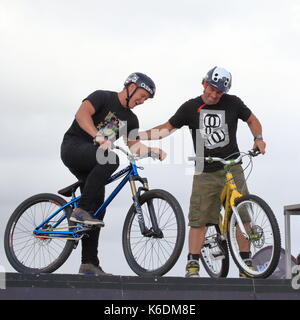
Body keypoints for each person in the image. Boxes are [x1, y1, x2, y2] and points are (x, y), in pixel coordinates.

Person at [139, 66, 266, 278]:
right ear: (204, 84)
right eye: (212, 89)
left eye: (219, 92)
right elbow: (166, 128)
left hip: (232, 165)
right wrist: (136, 135)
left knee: (242, 213)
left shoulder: (234, 103)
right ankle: (193, 264)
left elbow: (252, 120)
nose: (214, 95)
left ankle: (246, 262)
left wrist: (258, 138)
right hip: (205, 169)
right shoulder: (190, 107)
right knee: (199, 219)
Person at [60, 72, 165, 276]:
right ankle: (80, 210)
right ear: (130, 86)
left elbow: (134, 146)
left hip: (94, 161)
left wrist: (152, 151)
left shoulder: (131, 120)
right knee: (111, 159)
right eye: (141, 95)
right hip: (73, 147)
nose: (142, 101)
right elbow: (81, 115)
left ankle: (89, 264)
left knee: (98, 206)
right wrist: (98, 136)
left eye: (146, 99)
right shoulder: (103, 97)